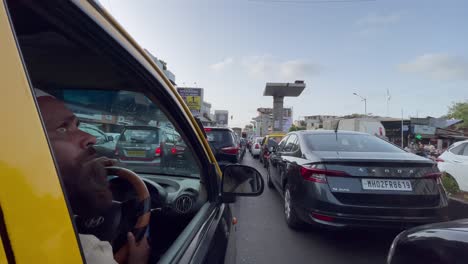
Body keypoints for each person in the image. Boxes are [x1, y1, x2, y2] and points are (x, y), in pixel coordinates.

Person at [35, 89, 150, 264]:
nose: (92, 137)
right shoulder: (86, 252)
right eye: (62, 129)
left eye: (77, 126)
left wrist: (83, 172)